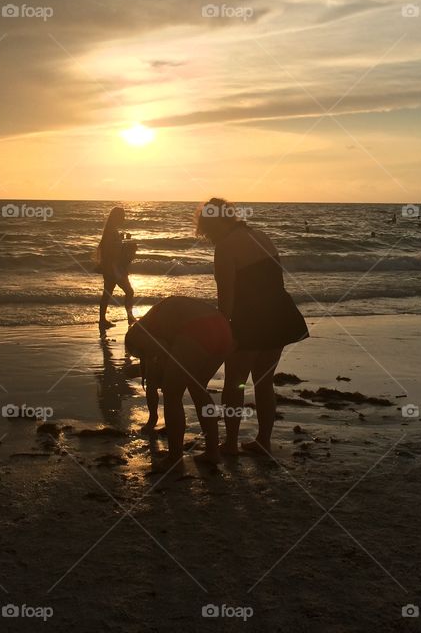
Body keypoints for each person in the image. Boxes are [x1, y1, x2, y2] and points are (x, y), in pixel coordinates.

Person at [196, 198, 308, 455]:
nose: (207, 236)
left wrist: (223, 332)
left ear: (213, 223)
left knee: (235, 383)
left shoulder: (225, 247)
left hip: (250, 321)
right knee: (264, 382)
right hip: (279, 316)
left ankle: (231, 443)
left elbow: (226, 298)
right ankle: (263, 441)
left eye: (207, 229)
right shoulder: (261, 236)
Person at [125, 296, 233, 471]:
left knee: (172, 393)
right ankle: (213, 451)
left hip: (197, 329)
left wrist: (157, 372)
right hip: (222, 327)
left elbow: (157, 356)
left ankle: (174, 458)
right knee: (198, 389)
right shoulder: (157, 318)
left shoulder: (135, 334)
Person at [97, 207, 136, 330]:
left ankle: (102, 320)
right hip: (114, 268)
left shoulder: (110, 230)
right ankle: (129, 317)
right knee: (129, 292)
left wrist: (122, 241)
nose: (123, 218)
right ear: (117, 217)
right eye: (122, 216)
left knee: (107, 294)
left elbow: (112, 247)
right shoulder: (111, 231)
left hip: (110, 267)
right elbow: (112, 250)